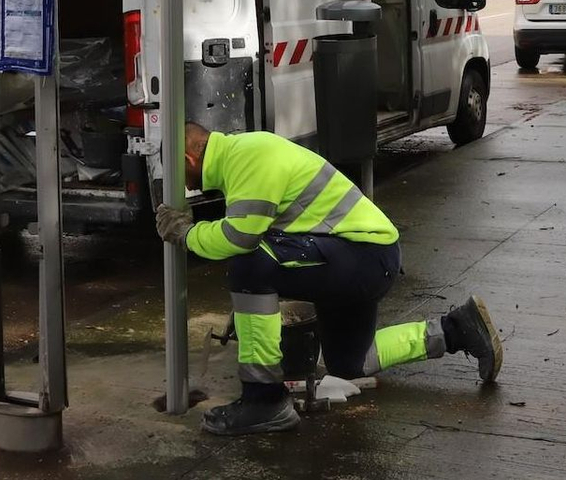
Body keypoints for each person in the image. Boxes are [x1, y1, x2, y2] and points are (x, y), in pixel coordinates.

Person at [156, 123, 503, 436]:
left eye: (179, 177)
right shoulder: (243, 154)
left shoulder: (247, 156)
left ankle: (263, 400)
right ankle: (456, 329)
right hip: (364, 258)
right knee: (351, 364)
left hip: (362, 255)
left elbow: (238, 238)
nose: (185, 187)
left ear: (189, 159)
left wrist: (186, 233)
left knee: (250, 264)